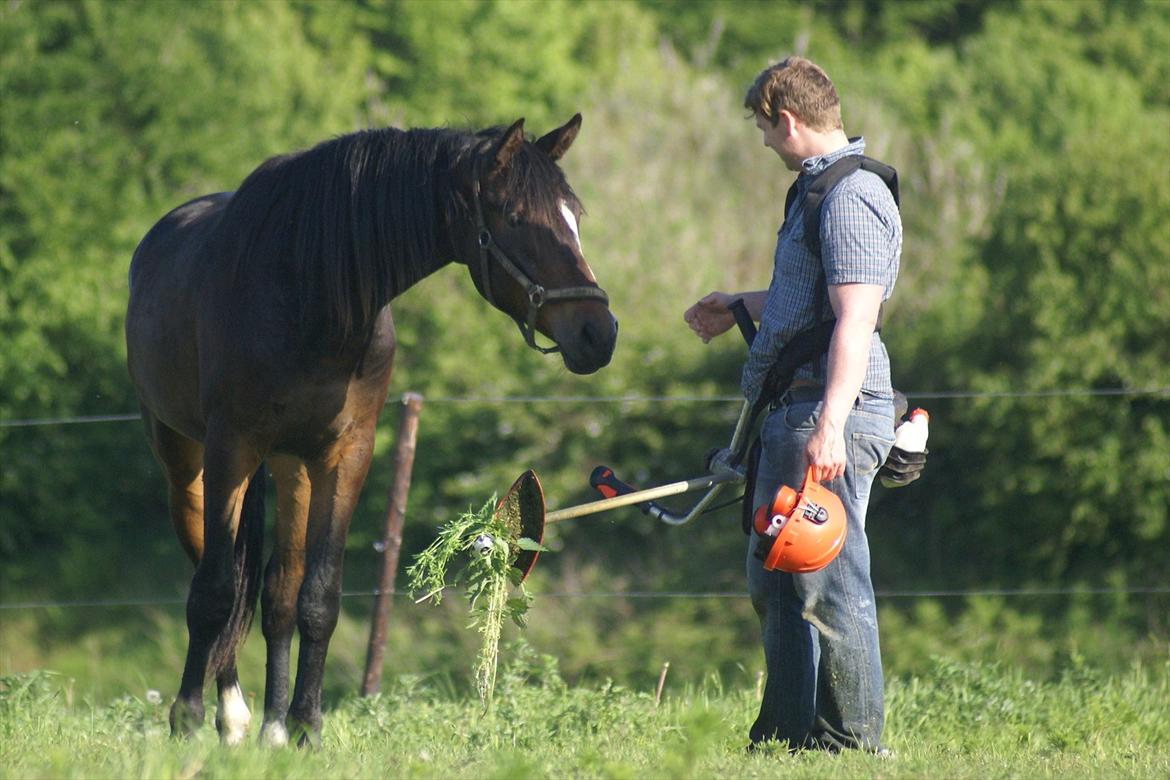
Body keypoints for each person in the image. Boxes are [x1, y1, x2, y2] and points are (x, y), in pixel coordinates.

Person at [684, 56, 901, 754]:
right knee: (777, 575)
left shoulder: (851, 195)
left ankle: (850, 743)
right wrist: (738, 305)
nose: (765, 144)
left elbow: (856, 316)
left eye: (763, 129)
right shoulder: (816, 194)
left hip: (825, 411)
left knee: (829, 577)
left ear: (788, 119)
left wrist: (833, 421)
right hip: (796, 409)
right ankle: (784, 736)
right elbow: (810, 299)